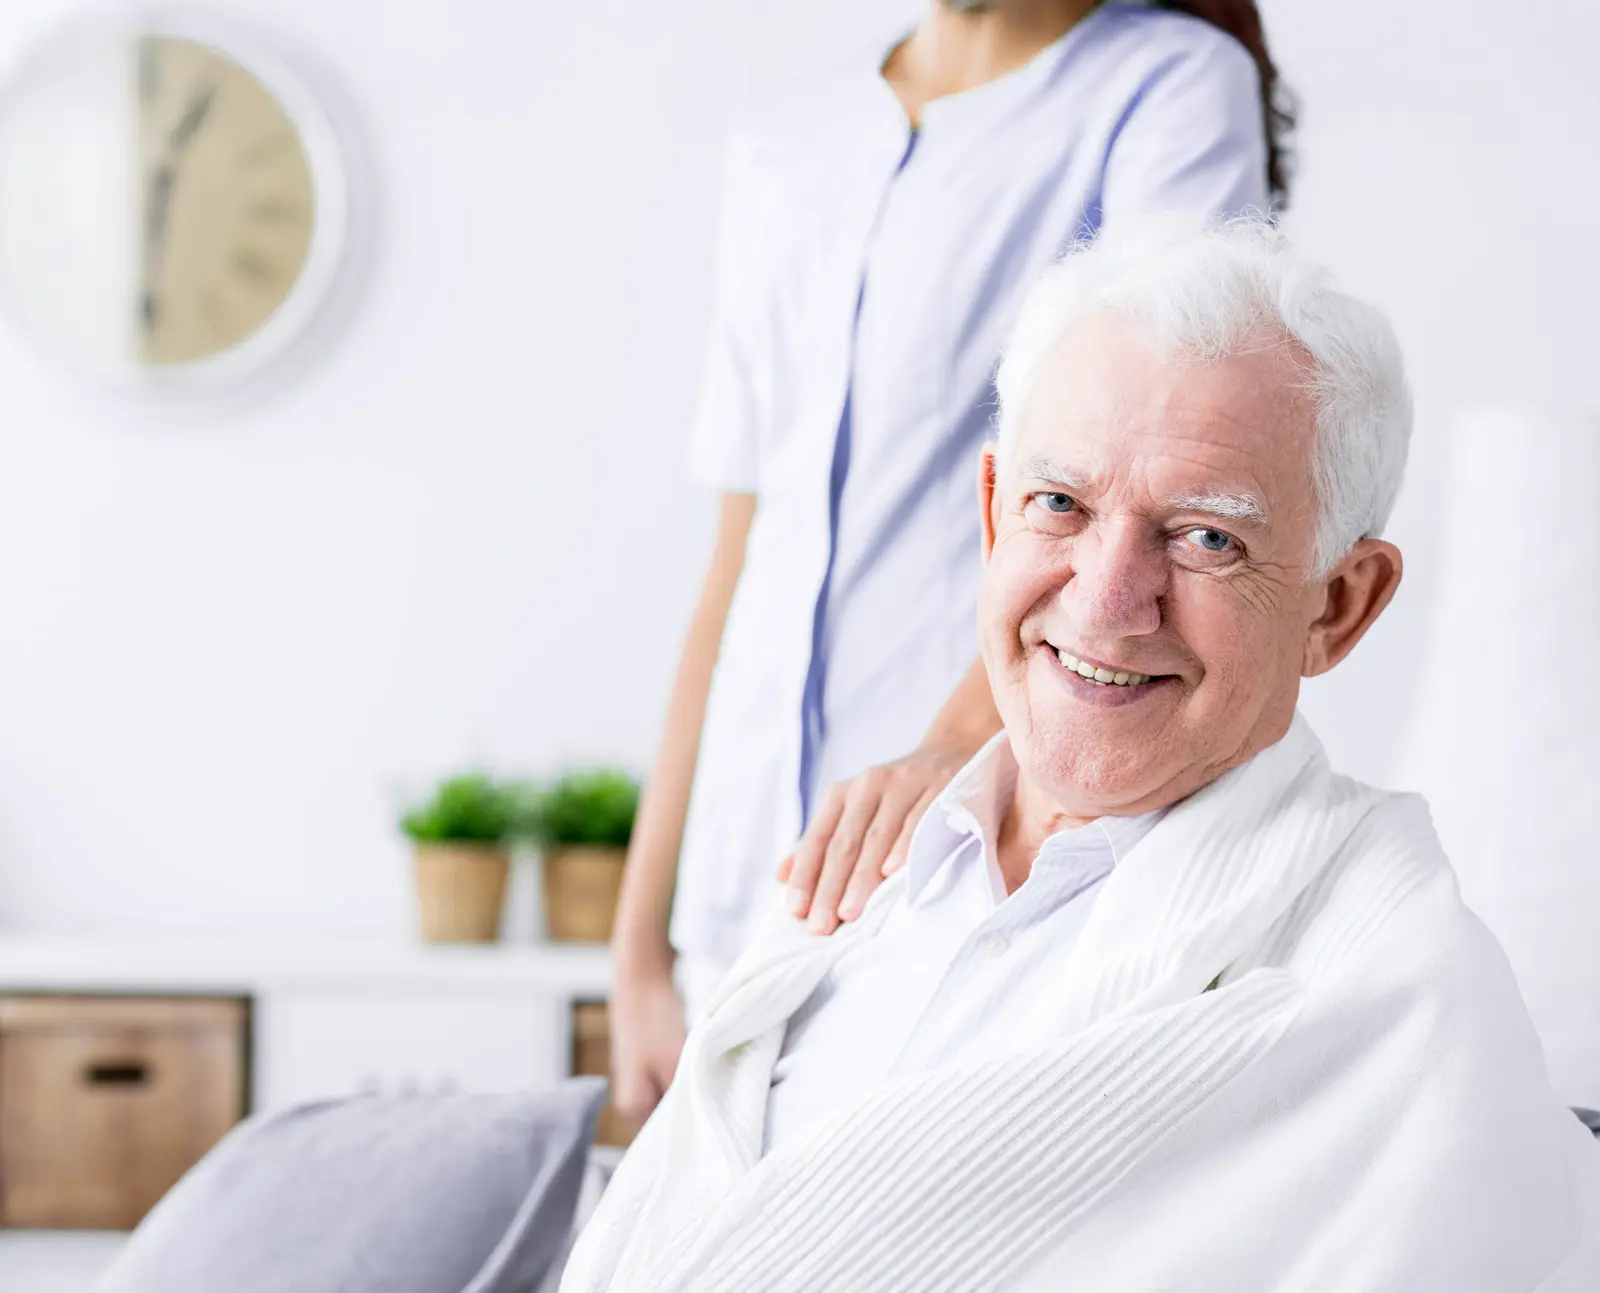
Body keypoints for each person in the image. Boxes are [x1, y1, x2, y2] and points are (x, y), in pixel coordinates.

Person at [563, 217, 1600, 1291]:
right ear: (992, 516)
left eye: (1207, 537)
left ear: (1339, 605)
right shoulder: (859, 871)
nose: (1106, 603)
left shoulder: (1394, 986)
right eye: (1059, 504)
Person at [612, 0, 1296, 1127]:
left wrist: (950, 750)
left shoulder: (1165, 85)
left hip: (956, 856)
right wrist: (641, 940)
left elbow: (1164, 458)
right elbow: (740, 558)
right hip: (741, 895)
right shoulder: (787, 142)